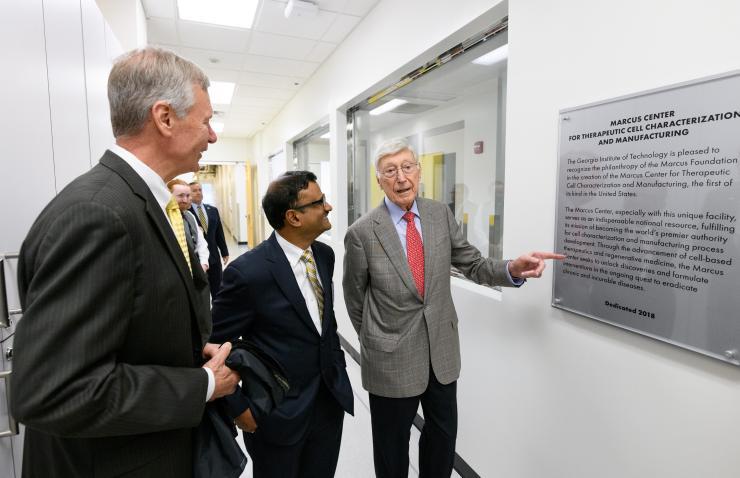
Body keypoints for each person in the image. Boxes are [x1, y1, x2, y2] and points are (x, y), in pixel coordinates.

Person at [10, 47, 240, 478]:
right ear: (165, 118)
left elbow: (128, 322)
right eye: (206, 121)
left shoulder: (139, 202)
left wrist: (190, 351)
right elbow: (54, 391)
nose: (212, 137)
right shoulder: (100, 215)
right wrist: (203, 385)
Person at [342, 138, 564, 478]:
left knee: (442, 437)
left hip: (441, 352)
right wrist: (376, 340)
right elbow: (355, 297)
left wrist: (512, 269)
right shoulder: (361, 233)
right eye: (390, 170)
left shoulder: (438, 214)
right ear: (379, 180)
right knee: (391, 446)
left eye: (407, 167)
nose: (401, 178)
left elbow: (472, 264)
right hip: (390, 358)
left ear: (418, 171)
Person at [211, 171, 354, 478]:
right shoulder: (248, 273)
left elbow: (324, 325)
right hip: (276, 414)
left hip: (328, 403)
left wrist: (338, 371)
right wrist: (239, 408)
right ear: (294, 217)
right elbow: (213, 344)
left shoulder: (324, 255)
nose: (328, 207)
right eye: (319, 202)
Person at [189, 180, 229, 296]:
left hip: (214, 257)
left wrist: (224, 252)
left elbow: (219, 233)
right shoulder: (186, 212)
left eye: (200, 190)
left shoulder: (212, 210)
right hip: (198, 259)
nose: (198, 192)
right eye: (194, 191)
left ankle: (217, 312)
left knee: (218, 289)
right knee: (202, 292)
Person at [169, 178, 210, 272]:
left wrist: (204, 264)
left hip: (197, 266)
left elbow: (201, 242)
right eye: (180, 196)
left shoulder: (189, 215)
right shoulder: (165, 216)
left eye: (188, 196)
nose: (185, 200)